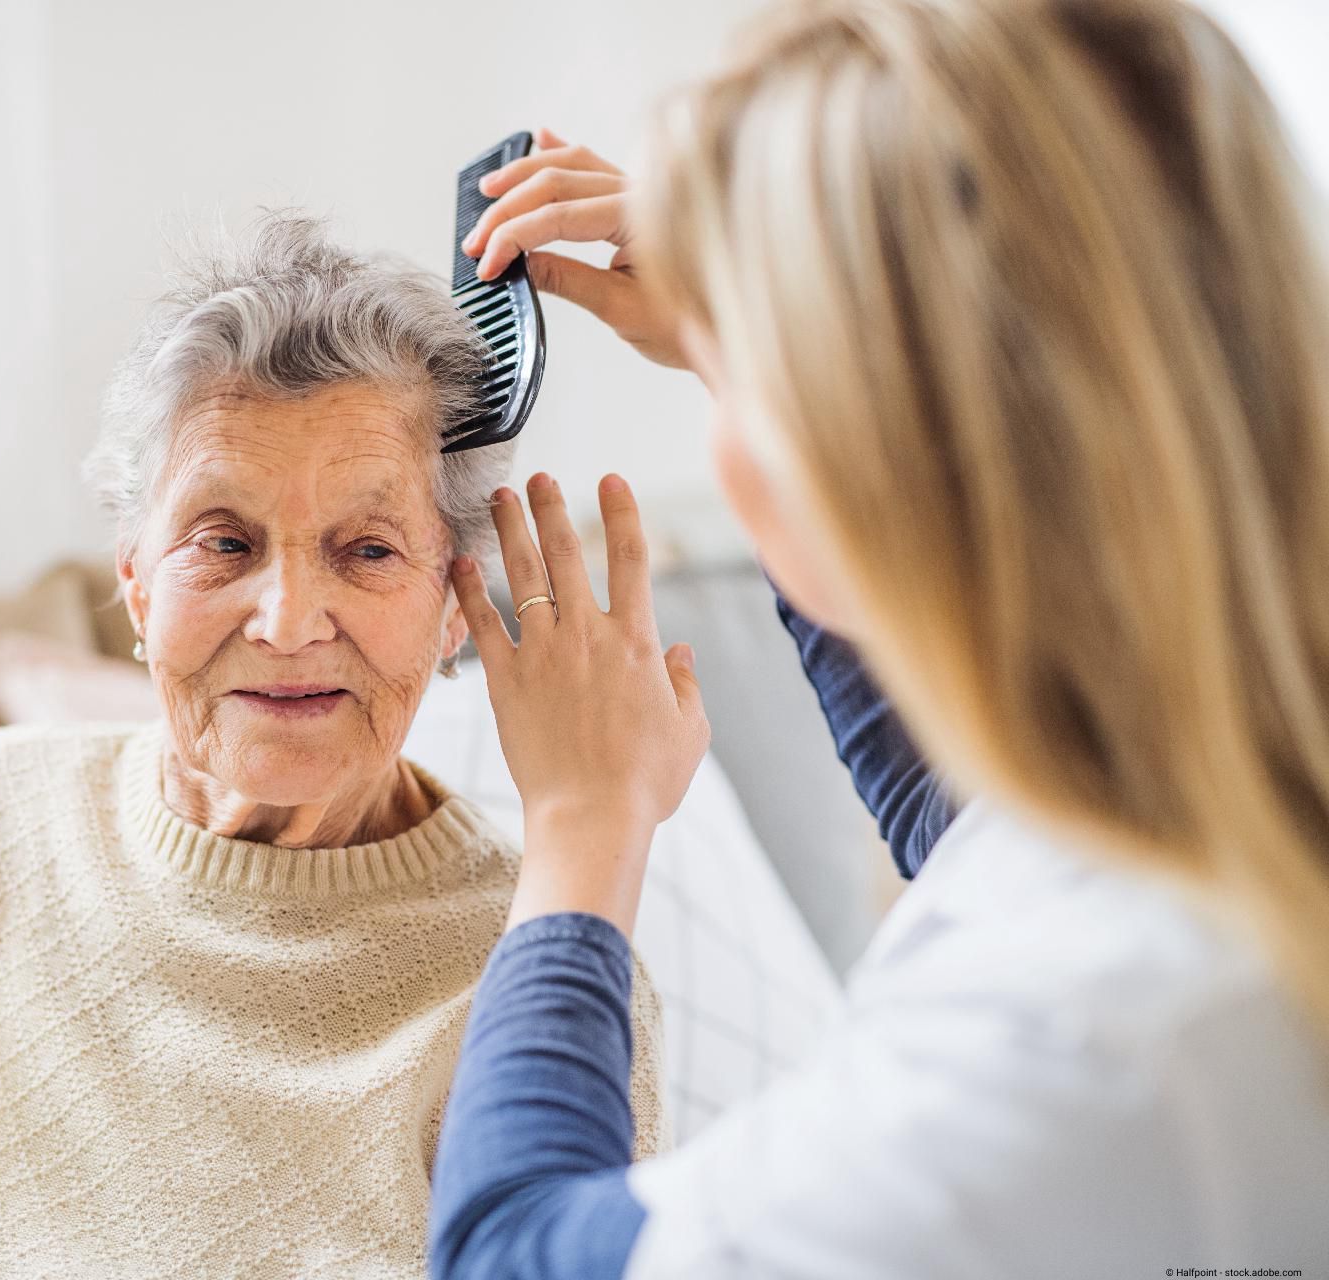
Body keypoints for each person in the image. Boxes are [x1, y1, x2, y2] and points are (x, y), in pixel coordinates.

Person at [427, 0, 1329, 1274]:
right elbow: (961, 826)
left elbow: (513, 1256)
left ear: (858, 460)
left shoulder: (1083, 1058)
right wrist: (734, 355)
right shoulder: (1199, 788)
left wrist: (583, 821)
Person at [0, 214, 669, 1280]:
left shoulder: (552, 966)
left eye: (366, 549)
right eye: (225, 541)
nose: (285, 619)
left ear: (452, 607)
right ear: (135, 580)